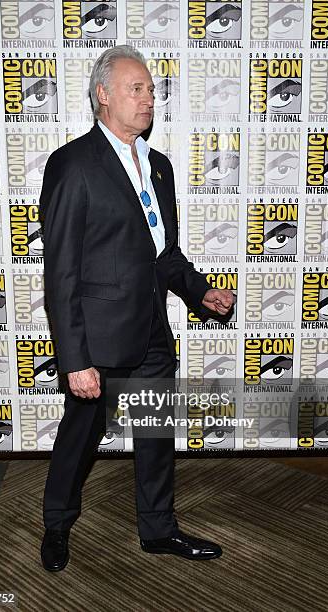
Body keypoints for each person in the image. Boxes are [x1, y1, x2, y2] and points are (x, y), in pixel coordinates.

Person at [39, 45, 234, 572]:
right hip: (97, 342)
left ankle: (158, 529)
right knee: (79, 438)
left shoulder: (161, 168)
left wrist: (199, 291)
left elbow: (163, 253)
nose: (149, 98)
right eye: (137, 88)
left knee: (155, 434)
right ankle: (56, 524)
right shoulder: (73, 165)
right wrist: (74, 357)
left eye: (151, 90)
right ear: (104, 95)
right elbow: (59, 271)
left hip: (151, 331)